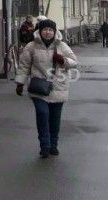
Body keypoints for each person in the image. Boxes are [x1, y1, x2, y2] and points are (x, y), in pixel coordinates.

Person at [15, 18, 78, 158]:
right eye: (45, 30)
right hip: (39, 87)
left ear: (54, 32)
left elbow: (75, 62)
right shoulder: (31, 46)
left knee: (55, 118)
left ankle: (53, 145)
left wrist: (63, 60)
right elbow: (24, 66)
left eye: (50, 30)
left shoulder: (62, 46)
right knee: (42, 113)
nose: (48, 32)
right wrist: (20, 83)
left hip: (58, 87)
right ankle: (44, 145)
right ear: (40, 31)